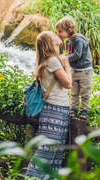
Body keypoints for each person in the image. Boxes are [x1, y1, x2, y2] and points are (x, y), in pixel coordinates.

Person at [26, 31, 72, 179]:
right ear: (49, 43)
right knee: (46, 154)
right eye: (53, 36)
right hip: (56, 111)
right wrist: (67, 66)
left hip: (53, 110)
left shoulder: (45, 60)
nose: (57, 36)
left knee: (54, 154)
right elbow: (68, 84)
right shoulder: (53, 61)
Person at [55, 16, 93, 120]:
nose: (58, 34)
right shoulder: (68, 41)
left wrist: (65, 59)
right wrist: (63, 58)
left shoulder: (78, 40)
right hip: (74, 70)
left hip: (85, 71)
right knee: (74, 91)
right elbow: (68, 54)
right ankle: (73, 109)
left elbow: (77, 55)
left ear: (68, 30)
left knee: (85, 92)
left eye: (60, 31)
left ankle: (84, 111)